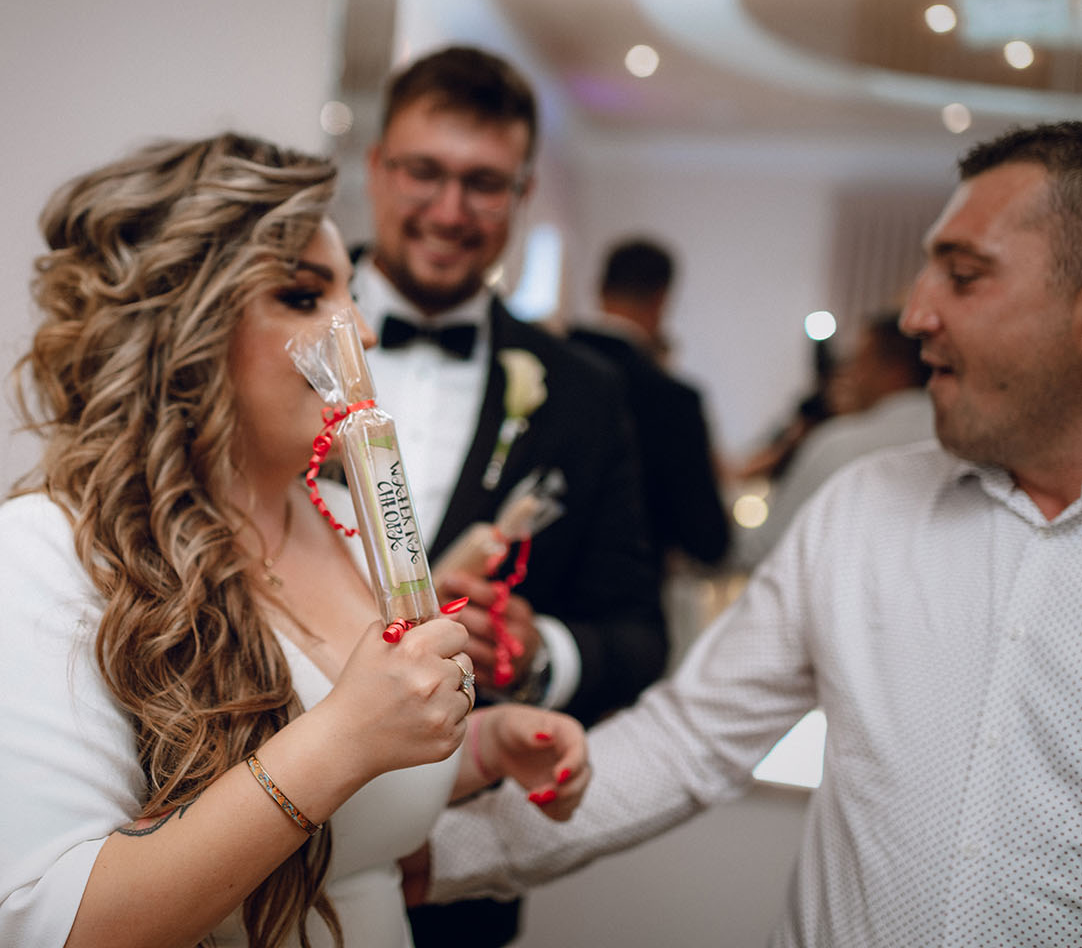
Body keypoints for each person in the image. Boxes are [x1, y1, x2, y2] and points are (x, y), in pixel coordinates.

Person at [415, 121, 1082, 945]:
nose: (916, 314)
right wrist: (432, 856)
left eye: (965, 276)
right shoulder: (863, 506)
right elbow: (687, 740)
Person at [0, 133, 591, 948]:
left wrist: (482, 747)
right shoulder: (43, 555)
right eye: (304, 296)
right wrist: (342, 739)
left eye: (351, 294)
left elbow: (359, 791)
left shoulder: (347, 517)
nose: (361, 334)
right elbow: (46, 930)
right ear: (183, 328)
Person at [350, 45, 667, 947]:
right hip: (242, 832)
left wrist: (535, 657)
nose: (450, 211)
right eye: (424, 171)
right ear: (376, 168)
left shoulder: (583, 394)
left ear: (522, 194)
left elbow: (638, 633)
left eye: (484, 184)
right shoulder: (267, 334)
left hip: (450, 877)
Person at [570, 237, 730, 569]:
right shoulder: (674, 400)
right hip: (626, 588)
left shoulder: (546, 365)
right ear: (661, 299)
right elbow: (707, 539)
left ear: (599, 288)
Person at [734, 310, 934, 567]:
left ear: (895, 369)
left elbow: (766, 549)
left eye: (859, 362)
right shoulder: (958, 446)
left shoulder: (841, 445)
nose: (850, 376)